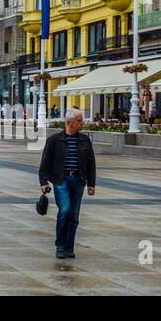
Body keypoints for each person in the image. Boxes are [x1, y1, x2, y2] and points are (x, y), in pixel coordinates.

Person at [38, 108, 97, 259]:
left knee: (74, 216)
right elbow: (44, 163)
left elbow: (91, 163)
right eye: (79, 121)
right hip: (61, 180)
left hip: (78, 181)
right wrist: (43, 182)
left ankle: (69, 247)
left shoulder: (85, 140)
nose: (82, 123)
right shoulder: (54, 140)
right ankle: (60, 245)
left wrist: (91, 184)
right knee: (65, 210)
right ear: (69, 122)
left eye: (82, 120)